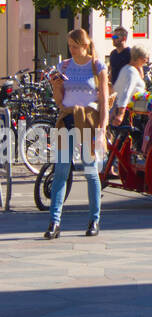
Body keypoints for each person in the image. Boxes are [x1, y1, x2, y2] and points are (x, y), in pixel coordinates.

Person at [44, 28, 109, 239]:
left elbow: (104, 103)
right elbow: (60, 101)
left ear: (84, 45)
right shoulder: (64, 66)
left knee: (90, 171)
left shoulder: (97, 66)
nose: (71, 49)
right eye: (69, 46)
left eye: (74, 45)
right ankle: (54, 222)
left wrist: (102, 130)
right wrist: (56, 87)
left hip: (89, 120)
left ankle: (94, 219)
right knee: (61, 170)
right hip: (68, 119)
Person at [110, 45, 148, 128]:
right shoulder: (131, 72)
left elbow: (116, 89)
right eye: (145, 58)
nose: (146, 61)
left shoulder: (126, 69)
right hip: (131, 112)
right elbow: (125, 92)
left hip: (130, 109)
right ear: (139, 58)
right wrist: (120, 114)